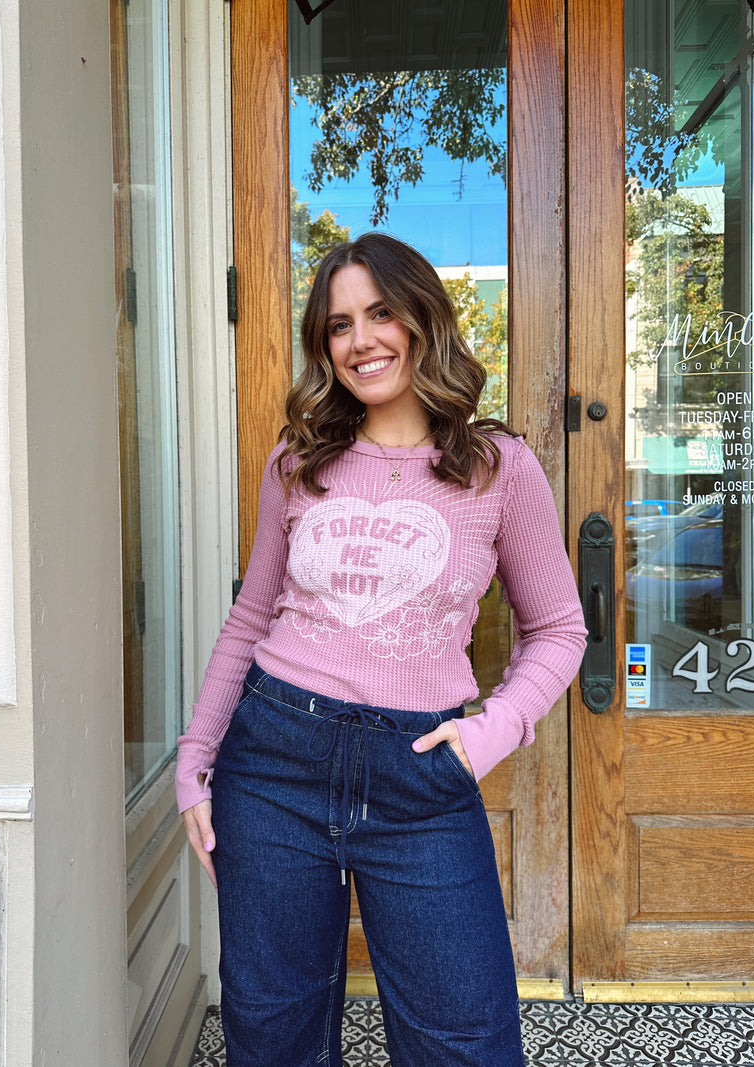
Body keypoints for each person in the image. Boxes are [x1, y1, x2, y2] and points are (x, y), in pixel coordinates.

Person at [177, 232, 587, 1067]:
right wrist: (196, 757)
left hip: (420, 776)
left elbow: (559, 629)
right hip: (273, 764)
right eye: (338, 324)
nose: (360, 339)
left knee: (465, 1040)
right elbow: (251, 618)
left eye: (380, 313)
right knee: (272, 1030)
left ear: (422, 319)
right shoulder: (299, 462)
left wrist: (491, 730)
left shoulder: (497, 468)